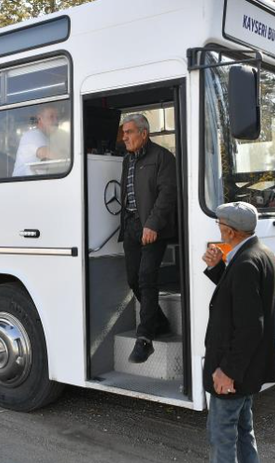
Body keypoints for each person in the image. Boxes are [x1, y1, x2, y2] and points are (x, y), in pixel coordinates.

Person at [201, 202, 275, 463]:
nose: (218, 229)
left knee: (221, 436)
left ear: (231, 231)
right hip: (248, 370)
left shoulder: (245, 263)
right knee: (245, 432)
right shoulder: (260, 252)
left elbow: (249, 327)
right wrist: (217, 269)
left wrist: (228, 371)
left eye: (220, 224)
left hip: (234, 373)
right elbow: (238, 299)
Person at [118, 113, 177, 363]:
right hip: (132, 226)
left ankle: (145, 338)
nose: (124, 138)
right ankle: (160, 322)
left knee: (146, 277)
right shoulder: (126, 160)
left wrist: (152, 224)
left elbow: (167, 195)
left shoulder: (163, 158)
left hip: (153, 228)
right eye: (123, 133)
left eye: (129, 132)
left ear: (144, 133)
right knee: (133, 279)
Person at [12, 105, 60, 177]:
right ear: (40, 119)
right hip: (23, 186)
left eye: (57, 118)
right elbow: (48, 154)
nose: (56, 121)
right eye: (51, 117)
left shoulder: (46, 138)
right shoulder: (33, 135)